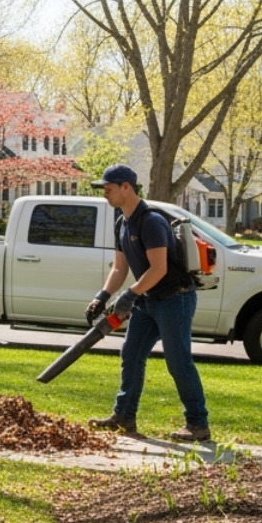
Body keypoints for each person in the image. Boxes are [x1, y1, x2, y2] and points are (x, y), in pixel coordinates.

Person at [84, 164, 210, 442]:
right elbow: (120, 268)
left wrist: (129, 295)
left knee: (178, 362)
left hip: (175, 298)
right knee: (131, 354)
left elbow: (159, 269)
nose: (105, 194)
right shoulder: (122, 222)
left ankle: (198, 424)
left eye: (109, 189)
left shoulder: (151, 221)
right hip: (148, 299)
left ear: (126, 187)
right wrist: (101, 297)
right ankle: (124, 416)